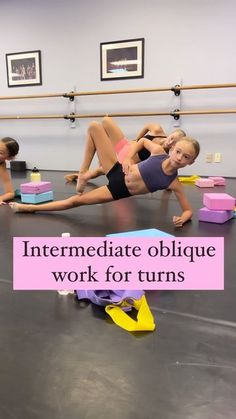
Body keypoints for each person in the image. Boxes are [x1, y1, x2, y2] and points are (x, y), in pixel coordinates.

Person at [10, 122, 199, 227]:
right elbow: (140, 141)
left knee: (74, 202)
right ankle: (83, 172)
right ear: (172, 148)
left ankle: (26, 208)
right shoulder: (158, 151)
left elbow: (187, 209)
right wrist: (127, 158)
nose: (180, 158)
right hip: (117, 169)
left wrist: (184, 216)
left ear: (191, 162)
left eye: (186, 157)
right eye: (178, 152)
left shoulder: (174, 182)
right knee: (94, 126)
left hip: (118, 189)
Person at [65, 116, 186, 193]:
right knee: (106, 120)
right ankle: (84, 173)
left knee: (101, 170)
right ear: (171, 133)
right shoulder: (157, 130)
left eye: (174, 143)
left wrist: (168, 186)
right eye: (172, 138)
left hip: (128, 163)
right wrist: (136, 140)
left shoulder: (162, 155)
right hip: (125, 148)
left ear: (176, 146)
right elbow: (146, 126)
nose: (171, 142)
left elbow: (164, 173)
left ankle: (80, 175)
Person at [0, 137, 20, 204]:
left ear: (9, 157)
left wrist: (0, 198)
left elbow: (10, 193)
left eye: (0, 153)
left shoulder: (1, 165)